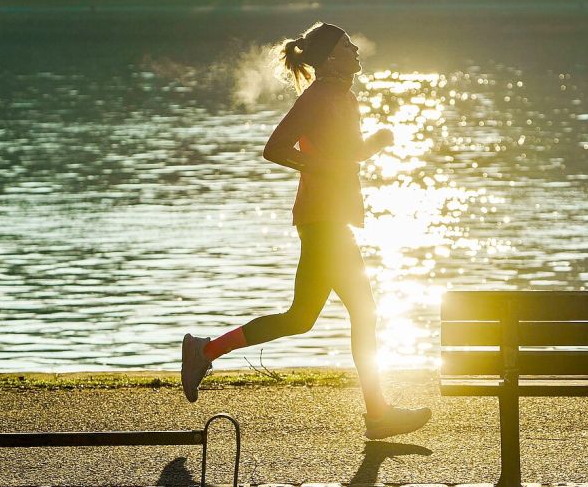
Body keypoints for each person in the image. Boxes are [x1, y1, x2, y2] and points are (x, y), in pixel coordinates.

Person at [181, 22, 432, 440]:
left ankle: (204, 350)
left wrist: (371, 146)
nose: (355, 49)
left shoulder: (342, 96)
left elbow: (343, 156)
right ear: (331, 56)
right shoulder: (318, 97)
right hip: (322, 221)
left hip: (331, 220)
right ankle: (377, 413)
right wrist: (328, 164)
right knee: (360, 314)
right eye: (347, 44)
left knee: (302, 318)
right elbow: (275, 148)